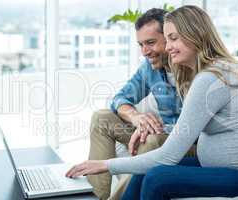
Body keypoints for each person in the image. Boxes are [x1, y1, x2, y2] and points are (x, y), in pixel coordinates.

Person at [66, 5, 238, 200]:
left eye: (173, 38)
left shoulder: (211, 77)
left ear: (195, 34)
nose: (167, 47)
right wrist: (137, 119)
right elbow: (122, 98)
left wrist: (105, 165)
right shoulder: (199, 72)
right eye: (168, 39)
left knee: (157, 176)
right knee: (144, 168)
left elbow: (169, 154)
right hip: (215, 165)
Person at [85, 8, 196, 200]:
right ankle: (98, 196)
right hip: (164, 134)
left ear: (170, 38)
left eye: (151, 43)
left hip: (190, 144)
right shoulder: (149, 69)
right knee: (101, 118)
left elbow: (193, 129)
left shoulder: (195, 69)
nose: (145, 51)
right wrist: (136, 117)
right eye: (141, 44)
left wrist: (150, 128)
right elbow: (120, 99)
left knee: (151, 138)